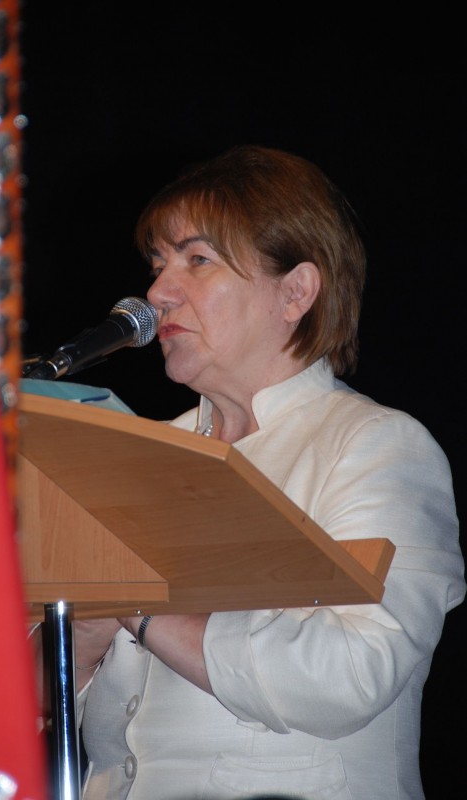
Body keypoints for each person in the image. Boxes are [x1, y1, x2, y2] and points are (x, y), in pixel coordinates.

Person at [71, 145, 465, 800]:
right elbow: (30, 709)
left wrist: (139, 609)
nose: (157, 293)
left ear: (295, 292)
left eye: (198, 260)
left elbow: (352, 674)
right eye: (159, 264)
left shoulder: (377, 446)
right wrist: (75, 646)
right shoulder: (134, 455)